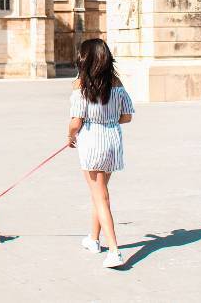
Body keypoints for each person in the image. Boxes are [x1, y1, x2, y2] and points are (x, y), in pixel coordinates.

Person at [67, 38, 135, 269]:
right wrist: (108, 121)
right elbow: (127, 116)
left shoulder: (81, 85)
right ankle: (93, 240)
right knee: (99, 193)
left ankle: (114, 251)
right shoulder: (116, 82)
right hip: (112, 141)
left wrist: (70, 137)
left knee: (101, 196)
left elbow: (76, 122)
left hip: (92, 143)